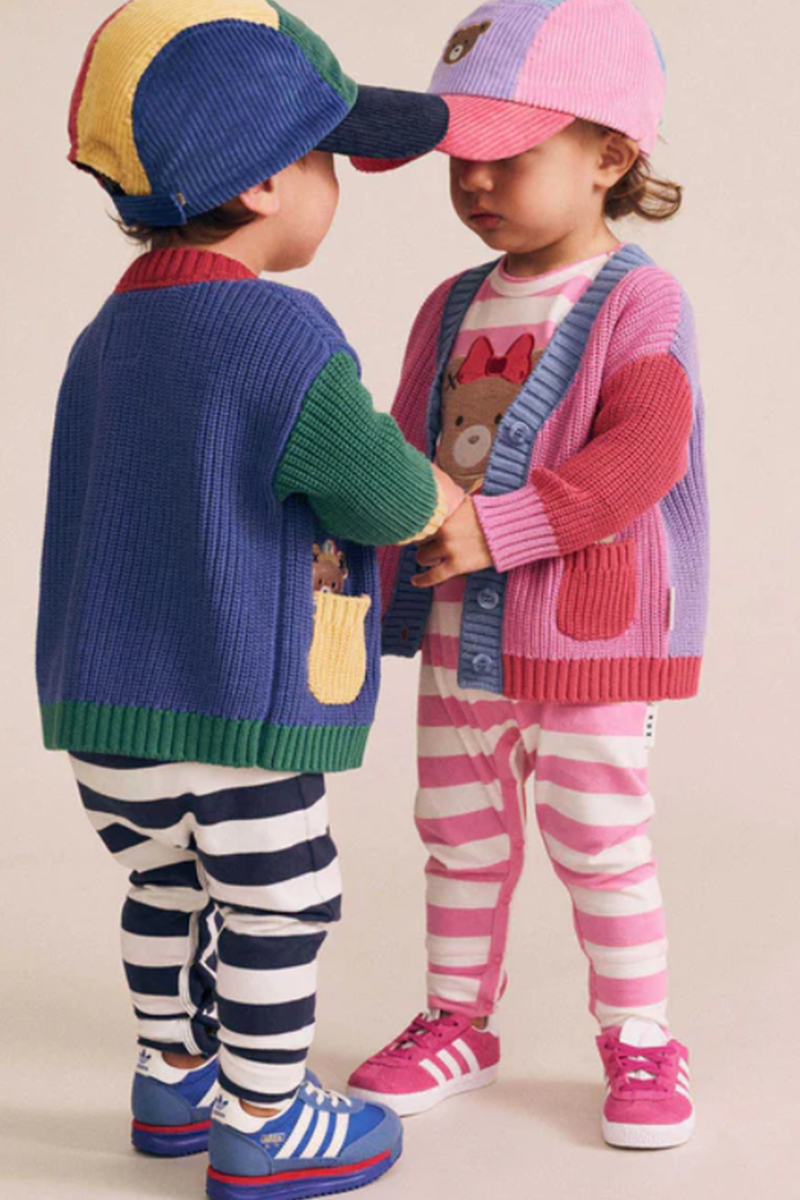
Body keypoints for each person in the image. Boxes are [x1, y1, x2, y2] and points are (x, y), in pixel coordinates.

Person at [35, 3, 463, 1197]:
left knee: (160, 886)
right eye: (328, 157)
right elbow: (379, 496)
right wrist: (429, 490)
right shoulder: (279, 333)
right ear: (271, 179)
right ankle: (265, 1119)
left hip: (107, 715)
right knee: (282, 901)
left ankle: (169, 1078)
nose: (336, 182)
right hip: (230, 708)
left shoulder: (105, 335)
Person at [347, 0, 708, 1151]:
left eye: (510, 155)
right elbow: (400, 450)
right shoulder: (450, 305)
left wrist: (500, 529)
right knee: (455, 833)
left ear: (611, 153)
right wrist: (357, 548)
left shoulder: (637, 301)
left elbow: (643, 457)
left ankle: (641, 1036)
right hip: (460, 637)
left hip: (583, 637)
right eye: (462, 157)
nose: (476, 183)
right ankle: (457, 1018)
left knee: (599, 838)